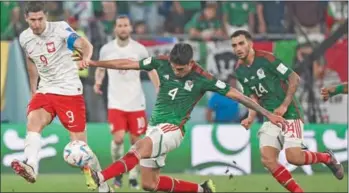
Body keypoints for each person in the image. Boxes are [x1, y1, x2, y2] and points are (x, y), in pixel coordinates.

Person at [75, 43, 287, 192]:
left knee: (137, 148)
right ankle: (201, 190)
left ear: (191, 62)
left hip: (172, 129)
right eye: (174, 68)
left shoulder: (203, 78)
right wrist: (94, 63)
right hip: (154, 128)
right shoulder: (162, 62)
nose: (176, 72)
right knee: (150, 184)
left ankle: (100, 177)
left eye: (181, 69)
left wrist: (268, 114)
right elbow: (127, 64)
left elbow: (237, 95)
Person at [11, 2, 112, 192]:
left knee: (80, 147)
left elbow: (84, 44)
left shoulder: (60, 29)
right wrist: (34, 88)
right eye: (32, 20)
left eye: (40, 19)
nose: (37, 24)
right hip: (46, 90)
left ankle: (102, 183)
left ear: (46, 16)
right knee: (33, 121)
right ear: (26, 19)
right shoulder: (25, 38)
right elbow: (31, 60)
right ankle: (31, 166)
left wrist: (86, 57)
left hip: (69, 92)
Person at [232, 30, 344, 193]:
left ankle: (327, 158)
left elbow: (294, 78)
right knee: (268, 160)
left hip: (290, 111)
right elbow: (252, 97)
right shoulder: (239, 70)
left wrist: (284, 105)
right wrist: (250, 117)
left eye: (241, 43)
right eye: (234, 45)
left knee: (294, 157)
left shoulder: (267, 59)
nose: (238, 48)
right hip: (269, 117)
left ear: (250, 43)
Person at [94, 15, 159, 189]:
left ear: (130, 28)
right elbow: (100, 68)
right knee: (118, 138)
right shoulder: (107, 49)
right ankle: (118, 172)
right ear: (115, 28)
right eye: (119, 25)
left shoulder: (139, 50)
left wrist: (158, 88)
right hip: (116, 102)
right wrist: (98, 82)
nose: (123, 28)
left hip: (136, 103)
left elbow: (151, 70)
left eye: (125, 25)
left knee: (136, 142)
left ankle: (132, 176)